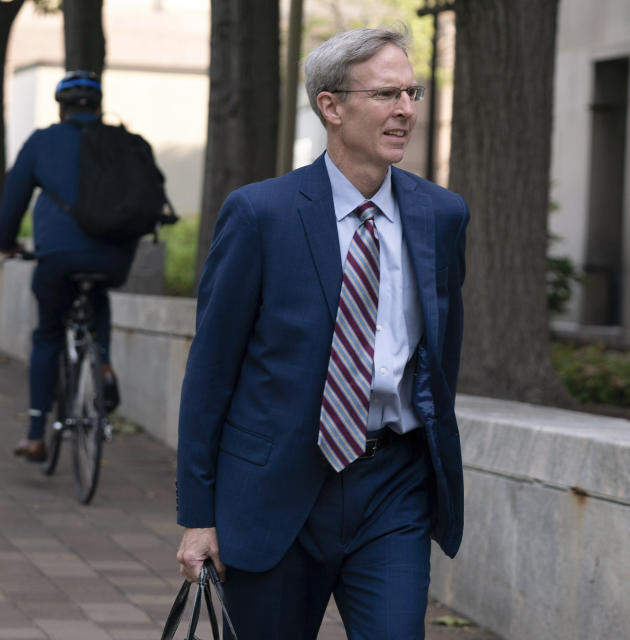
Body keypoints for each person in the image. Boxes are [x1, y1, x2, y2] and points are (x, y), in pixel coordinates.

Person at [175, 27, 469, 639]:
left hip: (394, 485)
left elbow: (442, 356)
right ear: (331, 106)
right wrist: (199, 516)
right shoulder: (261, 214)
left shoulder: (441, 215)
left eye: (411, 93)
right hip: (276, 489)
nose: (406, 110)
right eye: (387, 94)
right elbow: (211, 373)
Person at [0, 71, 135, 463]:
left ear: (61, 108)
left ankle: (36, 433)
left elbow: (13, 200)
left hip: (57, 258)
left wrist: (6, 244)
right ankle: (104, 362)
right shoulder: (123, 142)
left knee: (47, 334)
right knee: (99, 296)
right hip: (114, 256)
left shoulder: (43, 141)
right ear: (98, 107)